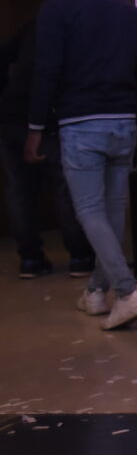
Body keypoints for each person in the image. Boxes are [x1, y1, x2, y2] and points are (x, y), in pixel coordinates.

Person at [25, 0, 137, 328]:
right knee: (113, 210)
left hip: (80, 123)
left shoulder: (56, 10)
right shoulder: (134, 15)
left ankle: (127, 292)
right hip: (125, 123)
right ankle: (96, 292)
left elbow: (47, 69)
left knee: (88, 209)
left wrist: (35, 127)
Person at [0, 15, 94, 279]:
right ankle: (80, 257)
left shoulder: (33, 27)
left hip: (10, 119)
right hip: (47, 120)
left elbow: (3, 56)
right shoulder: (72, 31)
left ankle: (30, 259)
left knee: (20, 191)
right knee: (66, 188)